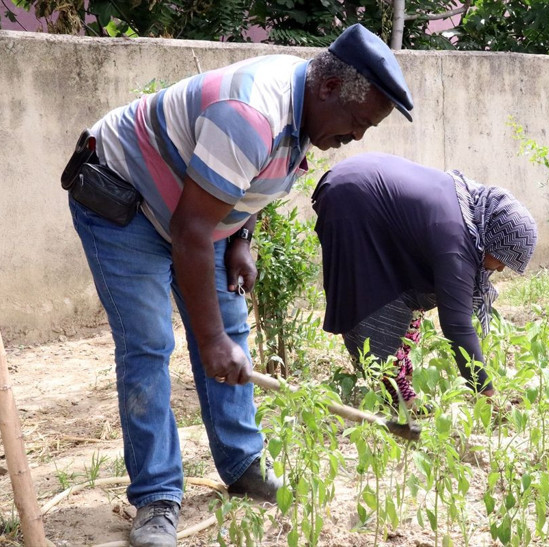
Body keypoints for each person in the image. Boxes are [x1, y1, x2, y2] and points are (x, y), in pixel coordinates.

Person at [63, 24, 413, 547]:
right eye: (358, 122)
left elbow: (243, 187)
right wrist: (207, 343)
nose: (357, 137)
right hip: (124, 200)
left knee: (233, 332)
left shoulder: (303, 114)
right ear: (330, 88)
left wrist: (241, 241)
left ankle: (242, 461)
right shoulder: (252, 114)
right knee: (149, 345)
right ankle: (157, 497)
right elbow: (190, 231)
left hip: (193, 219)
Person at [312, 153, 537, 411]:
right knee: (374, 295)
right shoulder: (456, 241)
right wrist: (486, 395)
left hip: (359, 184)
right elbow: (457, 326)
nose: (500, 268)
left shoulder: (471, 211)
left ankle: (397, 381)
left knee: (404, 289)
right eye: (502, 258)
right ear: (494, 237)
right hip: (351, 201)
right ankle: (393, 393)